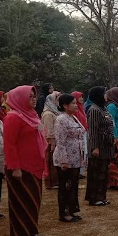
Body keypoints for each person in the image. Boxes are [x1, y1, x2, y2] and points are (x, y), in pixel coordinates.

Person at [3, 85, 47, 236]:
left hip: (34, 166)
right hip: (20, 168)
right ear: (20, 98)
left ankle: (30, 230)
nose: (34, 99)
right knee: (20, 201)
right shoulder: (13, 117)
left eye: (34, 96)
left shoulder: (31, 115)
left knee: (33, 200)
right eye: (29, 97)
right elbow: (10, 144)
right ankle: (20, 234)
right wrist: (15, 167)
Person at [53, 93, 86, 222]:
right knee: (65, 186)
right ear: (65, 106)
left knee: (73, 186)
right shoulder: (61, 119)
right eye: (72, 103)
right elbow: (60, 141)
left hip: (76, 158)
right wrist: (64, 160)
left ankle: (72, 210)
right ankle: (64, 213)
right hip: (65, 160)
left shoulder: (73, 118)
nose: (75, 105)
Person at [85, 87, 115, 206]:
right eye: (104, 93)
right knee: (96, 173)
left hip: (106, 145)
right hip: (99, 146)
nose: (106, 95)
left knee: (104, 172)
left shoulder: (103, 108)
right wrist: (94, 147)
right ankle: (94, 198)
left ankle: (102, 196)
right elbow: (92, 130)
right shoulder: (94, 110)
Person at [41, 92, 60, 190]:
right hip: (50, 142)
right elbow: (49, 129)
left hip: (56, 141)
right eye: (57, 99)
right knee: (50, 162)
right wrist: (51, 141)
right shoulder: (48, 114)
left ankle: (56, 181)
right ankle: (51, 182)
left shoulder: (54, 112)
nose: (58, 101)